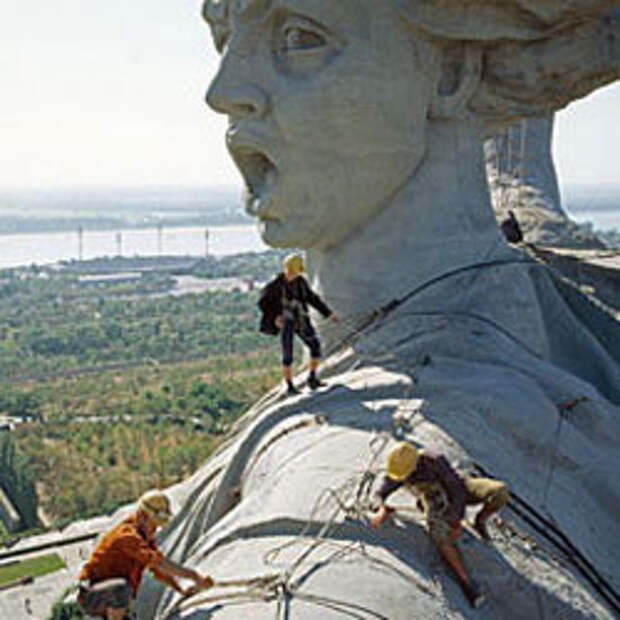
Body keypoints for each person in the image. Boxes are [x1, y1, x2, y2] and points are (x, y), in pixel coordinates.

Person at [370, 442, 509, 608]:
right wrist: (380, 509)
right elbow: (379, 493)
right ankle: (466, 583)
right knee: (439, 535)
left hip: (456, 489)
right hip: (431, 499)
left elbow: (456, 491)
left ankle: (479, 521)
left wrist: (456, 521)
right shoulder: (399, 470)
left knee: (500, 491)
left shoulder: (434, 459)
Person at [77, 490, 213, 620]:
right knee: (122, 588)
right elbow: (160, 563)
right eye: (153, 525)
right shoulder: (127, 536)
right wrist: (194, 576)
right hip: (93, 596)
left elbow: (158, 568)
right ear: (142, 516)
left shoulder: (144, 538)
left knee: (124, 593)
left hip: (110, 597)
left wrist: (181, 590)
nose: (155, 530)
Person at [258, 253, 338, 394]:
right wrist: (276, 317)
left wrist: (328, 313)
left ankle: (312, 378)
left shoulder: (300, 282)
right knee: (288, 355)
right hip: (286, 322)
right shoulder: (276, 285)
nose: (293, 274)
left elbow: (312, 298)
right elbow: (263, 303)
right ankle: (289, 386)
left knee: (315, 346)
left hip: (300, 319)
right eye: (293, 271)